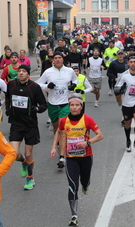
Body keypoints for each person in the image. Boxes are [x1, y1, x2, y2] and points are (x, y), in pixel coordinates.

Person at [50, 93, 103, 227]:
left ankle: (86, 185)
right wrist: (53, 147)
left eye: (77, 105)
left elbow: (100, 136)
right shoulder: (64, 120)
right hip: (71, 157)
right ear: (69, 106)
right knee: (73, 185)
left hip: (85, 156)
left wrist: (88, 143)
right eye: (72, 105)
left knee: (84, 181)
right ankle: (74, 216)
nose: (74, 108)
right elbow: (59, 132)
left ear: (81, 106)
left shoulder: (87, 119)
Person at [5, 65, 47, 190]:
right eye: (19, 71)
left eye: (24, 71)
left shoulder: (34, 87)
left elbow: (44, 105)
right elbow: (7, 98)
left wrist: (36, 109)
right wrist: (8, 108)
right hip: (16, 124)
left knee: (28, 154)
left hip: (30, 125)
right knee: (14, 153)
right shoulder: (11, 84)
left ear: (28, 74)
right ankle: (23, 162)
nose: (21, 73)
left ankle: (30, 178)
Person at [36, 51, 77, 168]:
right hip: (52, 103)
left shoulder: (69, 71)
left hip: (65, 103)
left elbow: (75, 80)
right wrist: (47, 86)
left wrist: (73, 85)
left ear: (63, 59)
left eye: (60, 57)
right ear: (52, 60)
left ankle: (62, 157)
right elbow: (39, 84)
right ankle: (59, 144)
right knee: (56, 128)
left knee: (62, 128)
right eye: (56, 58)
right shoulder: (48, 72)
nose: (58, 60)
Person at [114, 56, 135, 153]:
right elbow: (116, 87)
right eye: (131, 62)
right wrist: (122, 88)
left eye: (134, 62)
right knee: (127, 124)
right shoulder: (124, 75)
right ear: (128, 63)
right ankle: (128, 140)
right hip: (127, 103)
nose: (133, 63)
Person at [107, 49, 128, 125]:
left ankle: (123, 118)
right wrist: (114, 78)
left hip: (126, 84)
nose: (120, 56)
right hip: (117, 84)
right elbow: (108, 73)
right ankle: (120, 102)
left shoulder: (127, 62)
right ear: (117, 55)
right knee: (119, 101)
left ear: (124, 55)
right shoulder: (113, 63)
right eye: (119, 54)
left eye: (122, 54)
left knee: (124, 102)